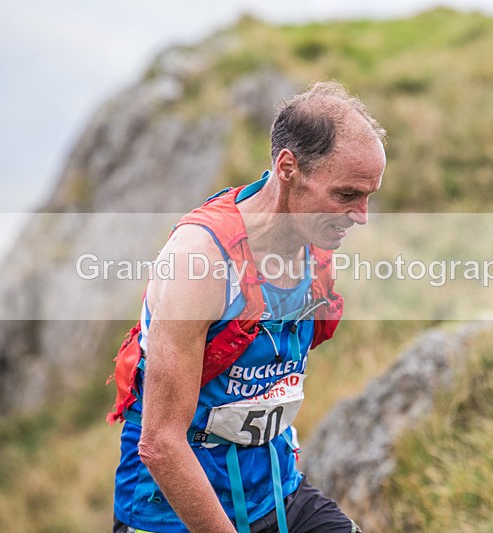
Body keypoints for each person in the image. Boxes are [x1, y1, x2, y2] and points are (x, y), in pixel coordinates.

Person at [111, 81, 386, 533]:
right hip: (172, 514)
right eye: (346, 195)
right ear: (287, 168)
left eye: (369, 195)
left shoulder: (314, 239)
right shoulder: (200, 261)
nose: (361, 215)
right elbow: (159, 443)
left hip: (277, 494)